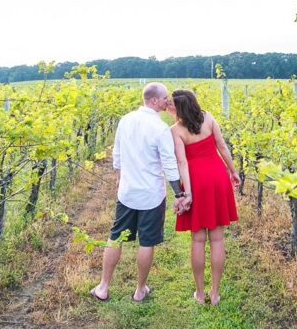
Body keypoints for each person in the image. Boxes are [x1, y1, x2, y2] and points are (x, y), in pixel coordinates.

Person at [90, 83, 190, 303]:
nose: (168, 101)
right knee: (147, 242)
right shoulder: (160, 128)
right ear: (154, 101)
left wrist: (119, 179)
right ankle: (139, 290)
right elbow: (169, 164)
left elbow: (116, 153)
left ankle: (103, 287)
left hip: (127, 192)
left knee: (116, 237)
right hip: (151, 195)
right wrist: (179, 193)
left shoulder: (125, 120)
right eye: (165, 98)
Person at [168, 88, 240, 305]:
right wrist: (233, 171)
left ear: (179, 107)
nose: (168, 107)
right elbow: (222, 146)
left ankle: (200, 294)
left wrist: (187, 192)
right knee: (217, 238)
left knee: (198, 239)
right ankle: (215, 293)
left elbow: (182, 163)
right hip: (217, 176)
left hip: (196, 181)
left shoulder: (176, 130)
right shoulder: (208, 117)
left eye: (171, 104)